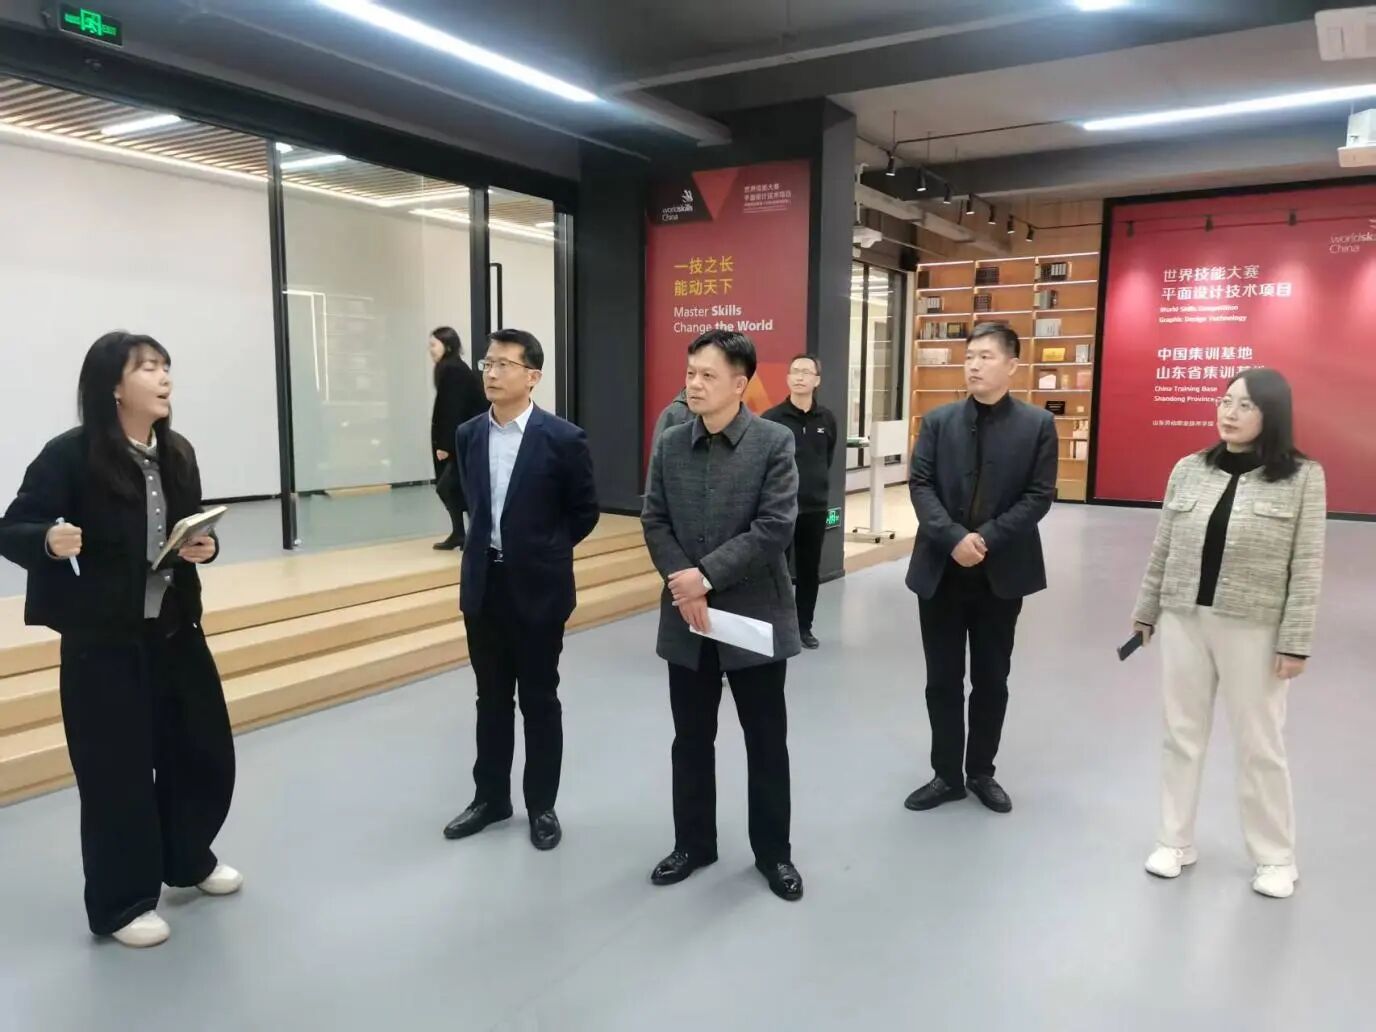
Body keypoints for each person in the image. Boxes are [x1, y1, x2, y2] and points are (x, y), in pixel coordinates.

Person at [0, 332, 238, 949]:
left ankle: (187, 857)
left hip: (175, 631)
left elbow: (188, 529)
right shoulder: (70, 455)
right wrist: (48, 540)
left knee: (202, 750)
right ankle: (122, 901)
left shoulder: (177, 452)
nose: (163, 377)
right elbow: (14, 526)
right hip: (102, 642)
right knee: (116, 772)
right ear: (113, 386)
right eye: (147, 368)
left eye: (165, 366)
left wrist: (204, 547)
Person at [1132, 369, 1326, 900]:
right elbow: (1163, 546)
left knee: (1260, 743)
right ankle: (1174, 840)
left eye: (1244, 405)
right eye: (1224, 401)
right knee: (1181, 734)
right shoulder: (1189, 469)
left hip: (1254, 626)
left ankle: (1275, 856)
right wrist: (1146, 612)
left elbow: (1307, 564)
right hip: (1184, 618)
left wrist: (1295, 640)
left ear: (1271, 414)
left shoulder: (1302, 477)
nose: (1229, 413)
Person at [641, 329, 804, 902]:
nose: (694, 384)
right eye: (690, 373)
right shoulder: (671, 441)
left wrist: (704, 577)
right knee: (690, 738)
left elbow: (774, 527)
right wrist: (684, 584)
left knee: (765, 740)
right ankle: (693, 843)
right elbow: (654, 518)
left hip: (753, 617)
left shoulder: (774, 442)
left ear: (740, 384)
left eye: (708, 375)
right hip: (687, 621)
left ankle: (773, 853)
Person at [441, 329, 598, 852]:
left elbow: (584, 511)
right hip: (484, 586)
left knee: (538, 698)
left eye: (503, 364)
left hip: (538, 588)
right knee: (490, 699)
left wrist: (543, 549)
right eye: (487, 363)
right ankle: (490, 799)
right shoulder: (469, 434)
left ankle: (541, 805)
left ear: (533, 377)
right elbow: (469, 498)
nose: (491, 373)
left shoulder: (563, 439)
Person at [903, 322, 1056, 815]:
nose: (974, 365)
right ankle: (946, 774)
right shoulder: (939, 421)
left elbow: (1039, 496)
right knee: (941, 679)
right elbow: (920, 485)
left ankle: (981, 771)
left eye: (986, 356)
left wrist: (985, 539)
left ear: (1012, 365)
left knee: (992, 678)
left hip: (1001, 573)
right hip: (940, 571)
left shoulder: (1037, 425)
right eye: (969, 356)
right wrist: (953, 538)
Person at [764, 354, 838, 650]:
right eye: (795, 371)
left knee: (809, 571)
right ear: (787, 378)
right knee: (776, 570)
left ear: (816, 380)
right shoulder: (772, 419)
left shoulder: (827, 419)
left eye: (806, 372)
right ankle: (776, 627)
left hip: (814, 508)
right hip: (780, 509)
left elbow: (827, 458)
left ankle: (803, 627)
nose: (799, 376)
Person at [429, 326, 485, 551]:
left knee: (450, 487)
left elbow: (452, 409)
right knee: (455, 488)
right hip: (461, 439)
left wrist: (446, 445)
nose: (431, 349)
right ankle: (460, 534)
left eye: (434, 345)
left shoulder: (453, 370)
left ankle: (473, 534)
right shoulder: (450, 367)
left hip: (462, 441)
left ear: (448, 345)